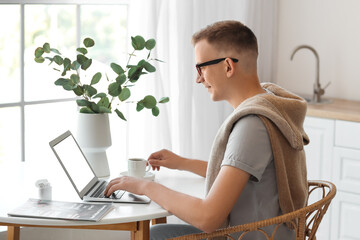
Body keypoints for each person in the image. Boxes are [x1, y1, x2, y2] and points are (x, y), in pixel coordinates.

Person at [105, 20, 309, 240]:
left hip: (245, 236)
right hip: (274, 233)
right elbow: (236, 172)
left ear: (228, 66)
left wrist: (144, 186)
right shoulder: (271, 104)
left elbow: (208, 218)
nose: (198, 78)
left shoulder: (253, 124)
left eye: (201, 67)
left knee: (151, 235)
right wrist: (181, 163)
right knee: (156, 232)